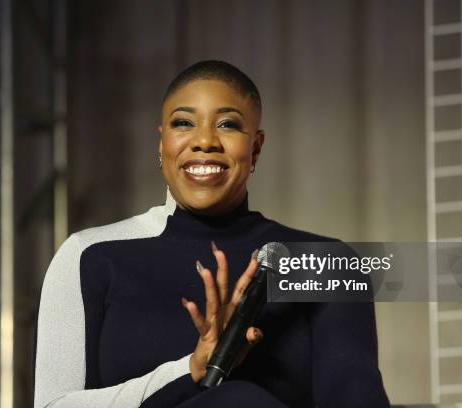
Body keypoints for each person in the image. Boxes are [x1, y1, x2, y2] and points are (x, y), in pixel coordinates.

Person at [34, 60, 390, 407]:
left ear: (256, 148)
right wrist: (189, 370)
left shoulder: (325, 264)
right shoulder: (90, 255)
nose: (204, 141)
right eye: (184, 123)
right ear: (162, 144)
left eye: (228, 125)